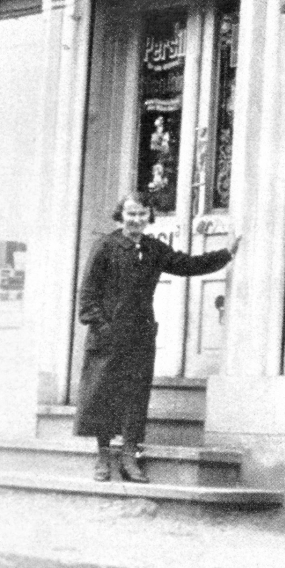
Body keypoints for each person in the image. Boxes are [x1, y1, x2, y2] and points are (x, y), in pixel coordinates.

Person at [75, 191, 240, 483]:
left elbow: (187, 265)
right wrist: (102, 326)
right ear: (121, 215)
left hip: (139, 334)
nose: (136, 219)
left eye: (142, 214)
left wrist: (226, 254)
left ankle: (129, 456)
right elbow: (88, 294)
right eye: (131, 214)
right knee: (103, 392)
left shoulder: (153, 249)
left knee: (135, 395)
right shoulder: (105, 246)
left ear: (149, 217)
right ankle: (102, 456)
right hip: (108, 334)